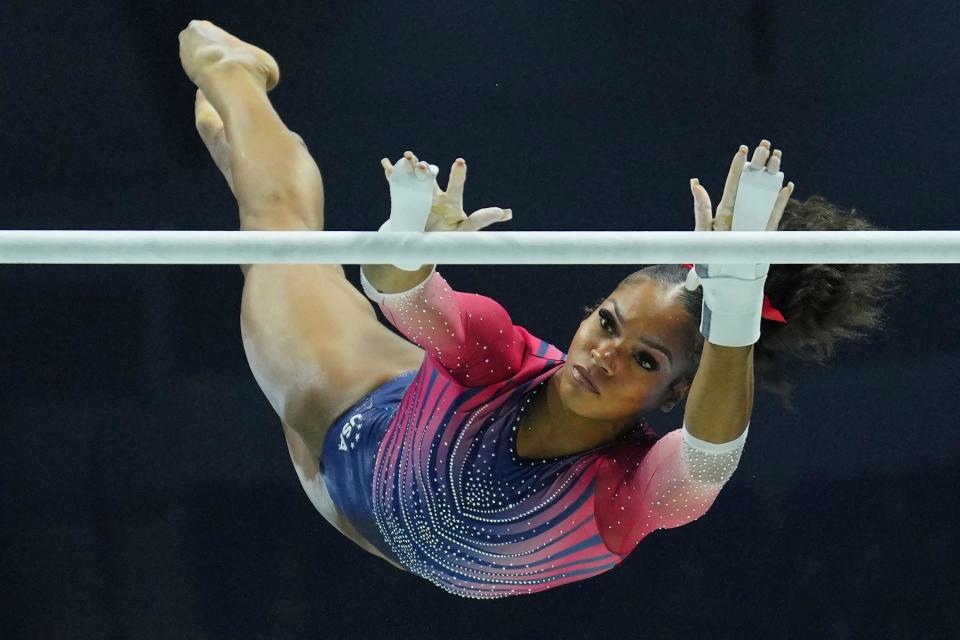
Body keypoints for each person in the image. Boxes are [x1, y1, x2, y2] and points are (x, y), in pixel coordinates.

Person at [179, 20, 903, 597]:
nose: (606, 354)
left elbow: (713, 456)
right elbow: (401, 292)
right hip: (343, 411)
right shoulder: (500, 356)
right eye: (609, 323)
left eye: (644, 360)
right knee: (276, 234)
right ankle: (228, 68)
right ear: (590, 311)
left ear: (675, 393)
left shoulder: (630, 494)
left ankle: (242, 142)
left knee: (270, 232)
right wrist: (406, 242)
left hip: (387, 508)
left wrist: (738, 306)